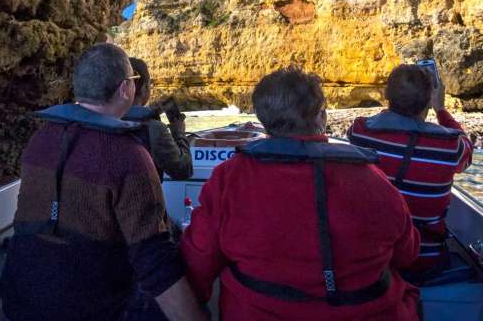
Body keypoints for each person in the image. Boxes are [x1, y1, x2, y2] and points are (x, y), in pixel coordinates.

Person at [181, 67, 422, 320]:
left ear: (264, 120)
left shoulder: (229, 179)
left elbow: (198, 265)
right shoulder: (373, 178)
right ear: (321, 116)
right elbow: (408, 254)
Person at [0, 43, 206, 321]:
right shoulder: (128, 155)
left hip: (18, 302)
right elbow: (154, 257)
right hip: (90, 310)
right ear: (124, 89)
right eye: (133, 81)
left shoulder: (42, 139)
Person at [346, 63, 474, 280]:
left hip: (373, 258)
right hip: (423, 260)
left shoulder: (360, 131)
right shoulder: (450, 144)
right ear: (428, 100)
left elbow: (381, 121)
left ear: (387, 96)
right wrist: (441, 110)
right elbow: (467, 154)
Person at [124, 57, 193, 180]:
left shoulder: (107, 118)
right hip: (144, 197)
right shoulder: (154, 129)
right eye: (149, 84)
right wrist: (179, 133)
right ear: (144, 88)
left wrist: (152, 113)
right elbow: (183, 170)